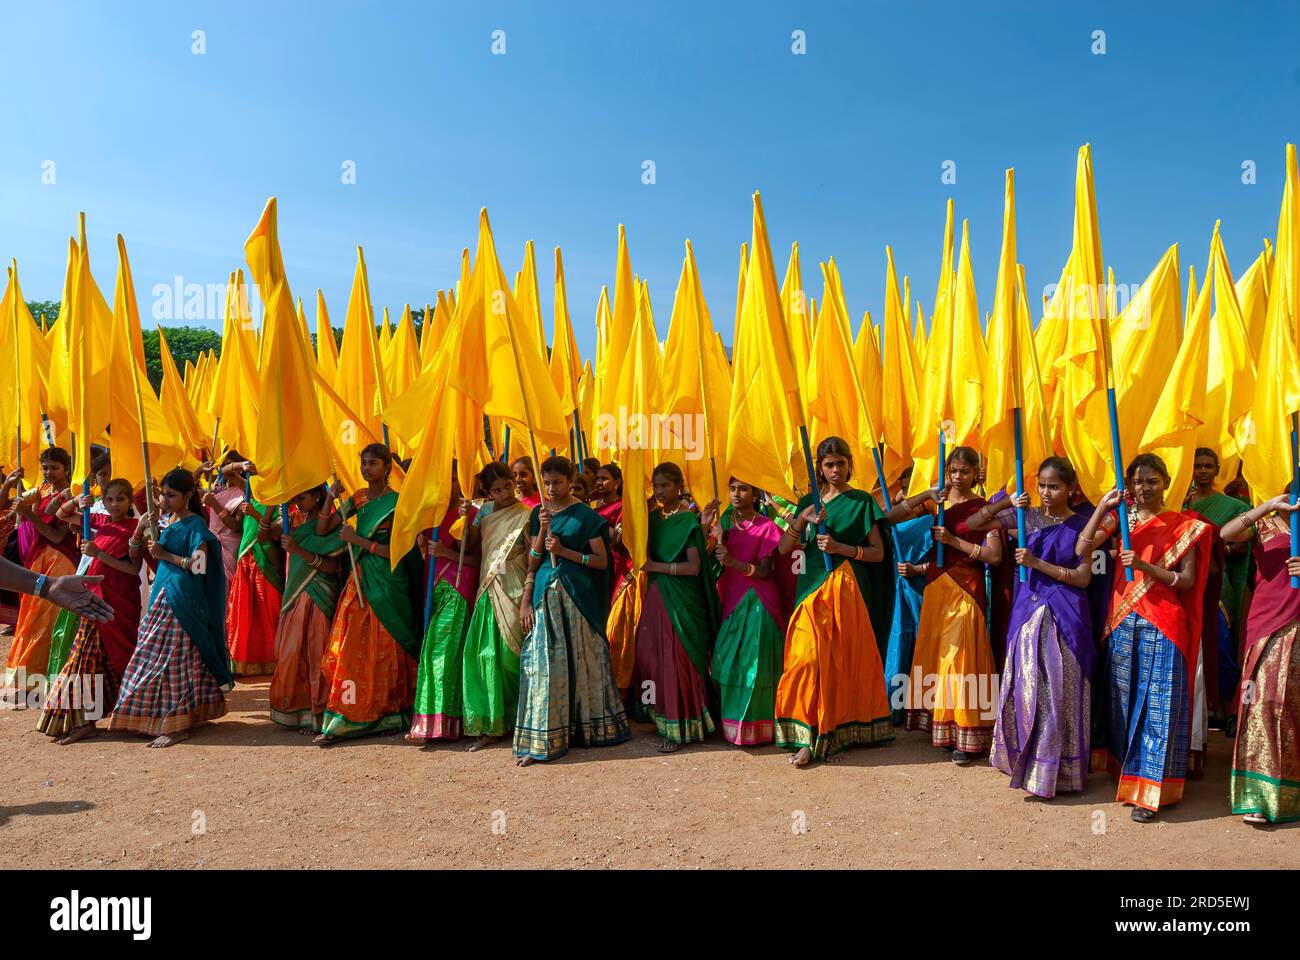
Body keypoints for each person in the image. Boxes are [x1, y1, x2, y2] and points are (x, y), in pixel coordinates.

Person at [1079, 454, 1211, 822]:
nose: (1143, 488)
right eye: (1137, 481)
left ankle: (1152, 790)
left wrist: (1144, 566)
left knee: (1160, 705)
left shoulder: (1184, 525)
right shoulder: (1122, 520)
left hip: (1164, 621)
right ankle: (1128, 773)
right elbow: (1081, 548)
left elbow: (1185, 580)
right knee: (1123, 700)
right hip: (1123, 621)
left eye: (1151, 481)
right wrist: (1104, 506)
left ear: (1166, 482)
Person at [968, 458, 1094, 797]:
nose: (1047, 492)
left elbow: (1083, 578)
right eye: (1042, 485)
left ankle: (1060, 772)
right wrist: (1009, 502)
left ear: (1071, 488)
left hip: (1067, 617)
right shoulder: (1026, 518)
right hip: (1027, 616)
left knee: (1060, 692)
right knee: (1028, 690)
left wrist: (1038, 564)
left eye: (1054, 486)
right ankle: (1028, 764)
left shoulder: (1084, 524)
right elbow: (974, 522)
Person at [776, 437, 894, 766]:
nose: (836, 469)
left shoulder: (861, 502)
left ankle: (834, 732)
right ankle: (805, 734)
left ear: (849, 465)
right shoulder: (806, 503)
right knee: (805, 659)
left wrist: (842, 549)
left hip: (845, 588)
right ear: (820, 468)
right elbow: (785, 549)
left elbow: (878, 553)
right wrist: (802, 521)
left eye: (841, 463)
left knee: (838, 664)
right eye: (829, 464)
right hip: (810, 589)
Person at [514, 456, 629, 764]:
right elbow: (535, 558)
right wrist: (543, 531)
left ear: (570, 480)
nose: (552, 489)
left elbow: (602, 561)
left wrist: (565, 552)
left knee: (583, 661)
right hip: (544, 597)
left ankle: (588, 730)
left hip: (577, 599)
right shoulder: (541, 514)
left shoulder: (586, 517)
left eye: (558, 482)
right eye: (547, 483)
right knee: (545, 665)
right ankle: (544, 739)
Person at [893, 445, 1003, 764]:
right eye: (952, 471)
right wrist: (925, 493)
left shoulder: (983, 508)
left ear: (975, 474)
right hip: (937, 586)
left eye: (964, 471)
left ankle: (968, 733)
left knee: (961, 657)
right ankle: (944, 728)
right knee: (936, 654)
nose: (957, 477)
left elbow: (994, 557)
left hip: (967, 587)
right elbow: (891, 517)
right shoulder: (936, 502)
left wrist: (953, 542)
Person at [108, 468, 232, 747]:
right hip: (162, 593)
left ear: (188, 495)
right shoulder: (164, 521)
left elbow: (199, 566)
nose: (164, 500)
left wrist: (166, 555)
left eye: (171, 495)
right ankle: (151, 717)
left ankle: (177, 725)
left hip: (184, 598)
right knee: (150, 654)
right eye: (163, 494)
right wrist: (140, 528)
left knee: (174, 660)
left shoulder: (197, 527)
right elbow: (134, 555)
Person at [315, 444, 423, 743]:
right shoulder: (358, 498)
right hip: (360, 580)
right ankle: (350, 712)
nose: (366, 469)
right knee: (352, 646)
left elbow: (400, 551)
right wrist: (329, 497)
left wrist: (358, 541)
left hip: (387, 581)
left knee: (386, 646)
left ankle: (388, 710)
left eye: (373, 463)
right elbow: (324, 528)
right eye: (363, 463)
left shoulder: (398, 503)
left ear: (388, 467)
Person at [38, 478, 143, 743]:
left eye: (120, 499)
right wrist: (76, 500)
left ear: (130, 501)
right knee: (86, 660)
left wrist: (99, 554)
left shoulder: (135, 528)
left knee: (111, 658)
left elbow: (132, 568)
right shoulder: (100, 521)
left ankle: (125, 713)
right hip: (93, 600)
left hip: (117, 604)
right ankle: (85, 720)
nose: (114, 504)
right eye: (109, 499)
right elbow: (55, 514)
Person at [1221, 493, 1300, 824]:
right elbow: (1226, 535)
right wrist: (1267, 507)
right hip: (1266, 624)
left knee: (1293, 706)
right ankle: (1258, 795)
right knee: (1260, 704)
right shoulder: (1264, 524)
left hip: (1297, 625)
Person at [631, 462, 720, 752]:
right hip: (657, 596)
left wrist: (656, 566)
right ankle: (662, 718)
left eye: (665, 485)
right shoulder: (653, 519)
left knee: (677, 658)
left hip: (682, 599)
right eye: (656, 485)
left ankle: (683, 725)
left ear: (679, 486)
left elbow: (694, 567)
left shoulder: (687, 521)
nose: (659, 491)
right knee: (653, 654)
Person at [702, 478, 784, 746]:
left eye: (744, 488)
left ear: (756, 493)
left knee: (755, 664)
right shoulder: (722, 523)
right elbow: (701, 556)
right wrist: (705, 526)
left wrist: (733, 562)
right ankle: (730, 724)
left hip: (758, 602)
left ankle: (759, 727)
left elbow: (764, 571)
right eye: (733, 488)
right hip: (728, 599)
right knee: (725, 661)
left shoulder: (767, 526)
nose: (736, 494)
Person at [460, 461, 532, 750]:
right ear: (487, 492)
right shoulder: (485, 513)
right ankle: (491, 722)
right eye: (496, 490)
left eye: (507, 486)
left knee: (509, 655)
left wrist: (528, 589)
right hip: (489, 584)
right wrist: (466, 519)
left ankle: (521, 718)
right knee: (482, 654)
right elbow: (471, 544)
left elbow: (532, 553)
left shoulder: (527, 513)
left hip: (514, 583)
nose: (504, 493)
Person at [408, 472, 480, 742]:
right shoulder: (429, 514)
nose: (443, 485)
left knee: (445, 656)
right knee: (430, 655)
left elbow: (475, 558)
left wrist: (445, 552)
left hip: (457, 586)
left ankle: (443, 723)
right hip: (433, 589)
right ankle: (431, 721)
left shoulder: (471, 513)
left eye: (450, 479)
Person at [268, 486, 345, 732]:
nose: (297, 502)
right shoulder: (291, 519)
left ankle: (319, 714)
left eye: (302, 497)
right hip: (295, 592)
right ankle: (297, 710)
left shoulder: (332, 521)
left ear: (317, 497)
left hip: (320, 593)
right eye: (295, 497)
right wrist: (272, 501)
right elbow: (263, 536)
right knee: (289, 652)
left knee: (316, 653)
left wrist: (298, 550)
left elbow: (332, 566)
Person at [3, 448, 78, 693]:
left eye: (54, 467)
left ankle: (45, 678)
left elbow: (56, 535)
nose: (49, 472)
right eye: (45, 467)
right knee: (31, 616)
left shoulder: (71, 496)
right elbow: (13, 505)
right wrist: (9, 485)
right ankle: (28, 679)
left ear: (66, 468)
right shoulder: (44, 489)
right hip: (39, 561)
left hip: (61, 562)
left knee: (46, 621)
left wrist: (29, 516)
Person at [1186, 448, 1250, 729]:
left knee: (1220, 646)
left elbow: (1241, 546)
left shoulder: (1232, 507)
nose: (1202, 470)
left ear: (1216, 470)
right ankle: (1200, 709)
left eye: (1208, 466)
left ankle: (1224, 708)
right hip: (1183, 584)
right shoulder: (1178, 504)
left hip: (1218, 585)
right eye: (1197, 465)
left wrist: (1215, 547)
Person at [46, 451, 112, 678]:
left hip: (119, 576)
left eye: (112, 473)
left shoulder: (130, 509)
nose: (108, 478)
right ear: (95, 477)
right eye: (103, 474)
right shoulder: (92, 506)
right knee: (85, 625)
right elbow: (60, 515)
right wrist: (75, 500)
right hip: (89, 567)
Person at [225, 464, 284, 676]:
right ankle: (245, 660)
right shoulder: (252, 488)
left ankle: (273, 658)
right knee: (245, 609)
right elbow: (226, 473)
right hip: (246, 557)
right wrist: (239, 466)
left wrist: (255, 514)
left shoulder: (279, 498)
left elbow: (275, 533)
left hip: (266, 558)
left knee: (268, 608)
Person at [885, 467, 930, 724]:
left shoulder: (935, 519)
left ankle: (923, 709)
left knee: (922, 646)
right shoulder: (893, 521)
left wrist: (919, 569)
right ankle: (896, 707)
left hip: (924, 589)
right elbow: (882, 518)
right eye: (905, 487)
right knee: (899, 644)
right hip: (898, 589)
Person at [594, 463, 641, 701]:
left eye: (604, 478)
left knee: (618, 632)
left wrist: (596, 522)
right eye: (597, 479)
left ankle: (622, 691)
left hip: (623, 572)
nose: (599, 483)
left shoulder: (623, 508)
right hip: (601, 575)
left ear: (618, 482)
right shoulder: (593, 507)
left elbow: (619, 543)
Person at [201, 452, 248, 581]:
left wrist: (214, 504)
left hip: (229, 547)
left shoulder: (244, 493)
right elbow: (188, 491)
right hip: (212, 543)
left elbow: (235, 526)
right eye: (222, 464)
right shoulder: (216, 489)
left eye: (228, 464)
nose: (222, 468)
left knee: (226, 589)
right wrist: (200, 469)